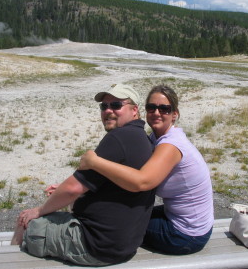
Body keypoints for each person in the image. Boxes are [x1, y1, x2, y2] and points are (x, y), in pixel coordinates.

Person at [11, 84, 155, 266]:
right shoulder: (140, 138)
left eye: (116, 105)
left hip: (94, 245)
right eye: (104, 106)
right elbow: (110, 187)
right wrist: (68, 192)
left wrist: (38, 211)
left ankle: (9, 261)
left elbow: (73, 188)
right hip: (124, 245)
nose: (108, 111)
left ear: (134, 110)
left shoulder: (118, 138)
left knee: (26, 220)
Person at [79, 85, 214, 255]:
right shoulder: (156, 138)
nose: (157, 113)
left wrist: (94, 162)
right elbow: (128, 170)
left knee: (116, 226)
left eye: (164, 108)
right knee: (124, 212)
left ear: (174, 114)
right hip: (188, 221)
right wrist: (83, 185)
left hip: (186, 235)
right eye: (151, 107)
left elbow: (142, 181)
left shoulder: (170, 146)